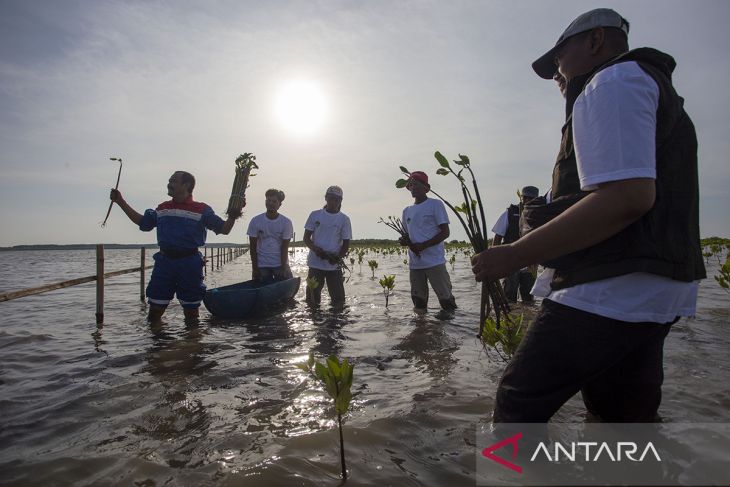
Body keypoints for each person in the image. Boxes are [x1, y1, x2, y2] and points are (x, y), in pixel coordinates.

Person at [472, 8, 705, 422]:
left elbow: (628, 197)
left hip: (608, 287)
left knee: (516, 409)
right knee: (621, 420)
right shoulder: (648, 84)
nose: (557, 74)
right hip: (653, 290)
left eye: (560, 58)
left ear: (596, 41)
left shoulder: (612, 81)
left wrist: (515, 255)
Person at [109, 171, 241, 322]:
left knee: (191, 314)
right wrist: (120, 202)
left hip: (190, 264)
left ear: (186, 185)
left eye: (173, 181)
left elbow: (224, 229)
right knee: (154, 313)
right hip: (164, 263)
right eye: (169, 180)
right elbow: (143, 223)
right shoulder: (163, 208)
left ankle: (191, 343)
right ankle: (157, 344)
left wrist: (233, 215)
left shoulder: (202, 210)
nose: (169, 184)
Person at [399, 171, 457, 313]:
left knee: (446, 302)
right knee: (419, 304)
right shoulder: (406, 211)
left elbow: (445, 232)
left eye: (417, 184)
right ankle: (422, 332)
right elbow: (407, 235)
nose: (413, 187)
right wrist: (404, 241)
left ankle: (452, 330)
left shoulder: (435, 204)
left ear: (427, 188)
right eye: (411, 185)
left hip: (434, 262)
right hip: (415, 264)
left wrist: (424, 245)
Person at [303, 185, 352, 306]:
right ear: (326, 198)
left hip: (334, 266)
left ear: (341, 201)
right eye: (331, 198)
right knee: (312, 301)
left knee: (338, 301)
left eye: (337, 199)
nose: (333, 202)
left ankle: (335, 323)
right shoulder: (315, 215)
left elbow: (346, 244)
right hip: (315, 264)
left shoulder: (344, 219)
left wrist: (337, 258)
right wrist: (316, 249)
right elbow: (306, 238)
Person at [491, 185, 540, 303]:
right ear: (521, 198)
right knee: (509, 297)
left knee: (529, 299)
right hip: (510, 262)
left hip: (530, 263)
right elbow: (498, 237)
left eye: (531, 198)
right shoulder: (510, 213)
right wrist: (497, 260)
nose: (528, 200)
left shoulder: (539, 213)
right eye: (525, 198)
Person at [246, 188, 294, 281]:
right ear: (265, 201)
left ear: (279, 204)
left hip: (279, 264)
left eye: (274, 201)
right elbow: (252, 246)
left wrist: (283, 268)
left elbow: (285, 247)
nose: (271, 203)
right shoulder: (256, 221)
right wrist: (255, 268)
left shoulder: (286, 222)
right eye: (268, 200)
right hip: (262, 264)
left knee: (286, 288)